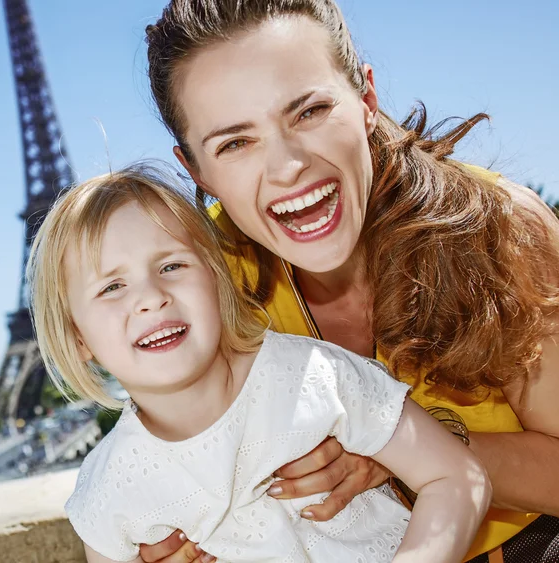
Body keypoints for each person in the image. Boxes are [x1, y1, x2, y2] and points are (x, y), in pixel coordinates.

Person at [142, 1, 559, 562]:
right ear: (196, 170)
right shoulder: (202, 279)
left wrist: (405, 450)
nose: (288, 164)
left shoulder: (498, 228)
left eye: (310, 111)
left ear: (366, 100)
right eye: (235, 143)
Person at [27, 166, 490, 563]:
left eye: (170, 266)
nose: (151, 298)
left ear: (215, 277)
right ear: (76, 337)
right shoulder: (109, 488)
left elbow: (455, 477)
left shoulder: (315, 376)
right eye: (112, 287)